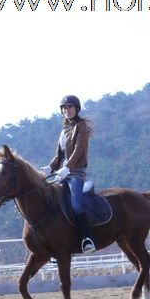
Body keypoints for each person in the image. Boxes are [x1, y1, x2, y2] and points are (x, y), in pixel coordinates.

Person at [41, 95, 96, 253]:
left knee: (76, 205)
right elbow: (59, 156)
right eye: (64, 108)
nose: (67, 110)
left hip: (76, 173)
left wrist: (68, 168)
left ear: (76, 108)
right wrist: (49, 168)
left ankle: (87, 238)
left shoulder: (81, 126)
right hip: (61, 174)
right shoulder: (64, 130)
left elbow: (79, 150)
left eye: (70, 107)